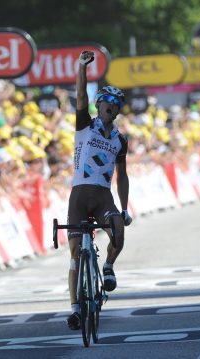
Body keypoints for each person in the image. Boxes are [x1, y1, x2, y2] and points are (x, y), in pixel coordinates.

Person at [65, 50, 132, 330]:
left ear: (118, 110)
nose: (112, 107)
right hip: (80, 194)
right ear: (100, 104)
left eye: (117, 104)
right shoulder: (85, 125)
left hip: (103, 194)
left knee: (117, 228)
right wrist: (82, 67)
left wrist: (125, 207)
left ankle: (108, 267)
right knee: (75, 251)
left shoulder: (120, 140)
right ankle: (76, 308)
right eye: (108, 102)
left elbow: (123, 176)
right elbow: (80, 96)